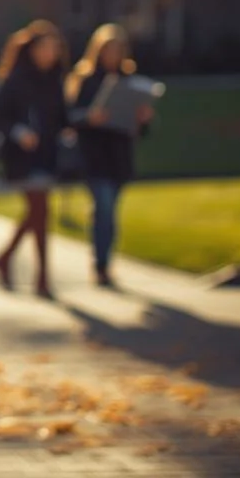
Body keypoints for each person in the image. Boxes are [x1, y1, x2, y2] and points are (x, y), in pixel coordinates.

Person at [67, 23, 155, 289]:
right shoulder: (86, 79)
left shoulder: (131, 81)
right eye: (108, 49)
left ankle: (105, 260)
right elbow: (69, 118)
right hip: (94, 156)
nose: (113, 55)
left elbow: (142, 129)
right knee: (104, 208)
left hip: (119, 156)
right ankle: (101, 265)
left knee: (110, 212)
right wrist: (90, 117)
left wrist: (144, 119)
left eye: (118, 50)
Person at [0, 20, 70, 299]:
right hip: (21, 157)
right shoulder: (14, 80)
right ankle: (43, 278)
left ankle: (6, 258)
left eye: (54, 48)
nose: (50, 53)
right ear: (31, 50)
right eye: (45, 48)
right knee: (41, 211)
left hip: (47, 155)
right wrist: (19, 132)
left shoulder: (55, 81)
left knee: (38, 213)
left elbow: (61, 118)